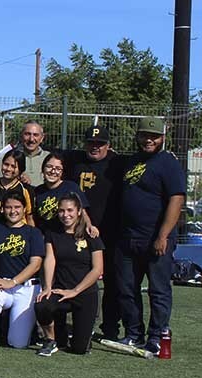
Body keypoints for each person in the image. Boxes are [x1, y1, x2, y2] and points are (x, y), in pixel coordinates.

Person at [116, 117, 186, 355]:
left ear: (162, 138)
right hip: (128, 238)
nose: (149, 140)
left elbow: (177, 199)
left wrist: (163, 235)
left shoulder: (168, 163)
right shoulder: (131, 161)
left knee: (158, 290)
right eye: (145, 135)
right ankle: (133, 333)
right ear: (137, 136)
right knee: (127, 289)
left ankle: (157, 336)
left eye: (154, 137)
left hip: (156, 239)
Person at [65, 125, 126, 341]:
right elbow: (45, 154)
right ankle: (70, 325)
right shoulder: (74, 159)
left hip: (110, 233)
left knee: (112, 282)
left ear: (109, 146)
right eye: (91, 142)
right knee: (74, 277)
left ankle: (110, 328)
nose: (95, 147)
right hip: (78, 232)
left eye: (100, 143)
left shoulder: (118, 163)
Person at [35, 193, 105, 356]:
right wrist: (48, 286)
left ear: (79, 211)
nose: (65, 215)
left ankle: (80, 335)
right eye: (61, 211)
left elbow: (97, 269)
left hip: (84, 293)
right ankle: (51, 339)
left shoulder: (90, 234)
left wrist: (75, 291)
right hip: (60, 290)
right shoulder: (53, 232)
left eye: (70, 210)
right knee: (42, 305)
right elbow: (50, 259)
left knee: (79, 349)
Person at [0, 191, 45, 355]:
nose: (13, 211)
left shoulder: (33, 232)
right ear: (2, 209)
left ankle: (10, 327)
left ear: (24, 209)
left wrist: (13, 282)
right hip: (1, 283)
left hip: (26, 287)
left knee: (18, 343)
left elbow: (36, 264)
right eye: (8, 207)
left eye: (17, 207)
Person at [32, 152, 94, 235]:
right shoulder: (37, 191)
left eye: (58, 168)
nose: (53, 171)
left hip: (66, 236)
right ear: (43, 169)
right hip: (45, 237)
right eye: (49, 167)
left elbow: (83, 212)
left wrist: (89, 225)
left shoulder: (71, 187)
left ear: (62, 172)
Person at [0, 149, 34, 229]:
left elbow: (29, 217)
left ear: (20, 169)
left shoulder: (25, 189)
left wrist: (31, 234)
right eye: (6, 164)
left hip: (19, 235)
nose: (8, 169)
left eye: (13, 166)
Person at [0, 121, 50, 186]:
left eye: (35, 135)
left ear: (42, 138)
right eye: (27, 134)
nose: (31, 139)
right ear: (21, 136)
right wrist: (15, 176)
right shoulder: (8, 158)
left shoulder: (49, 158)